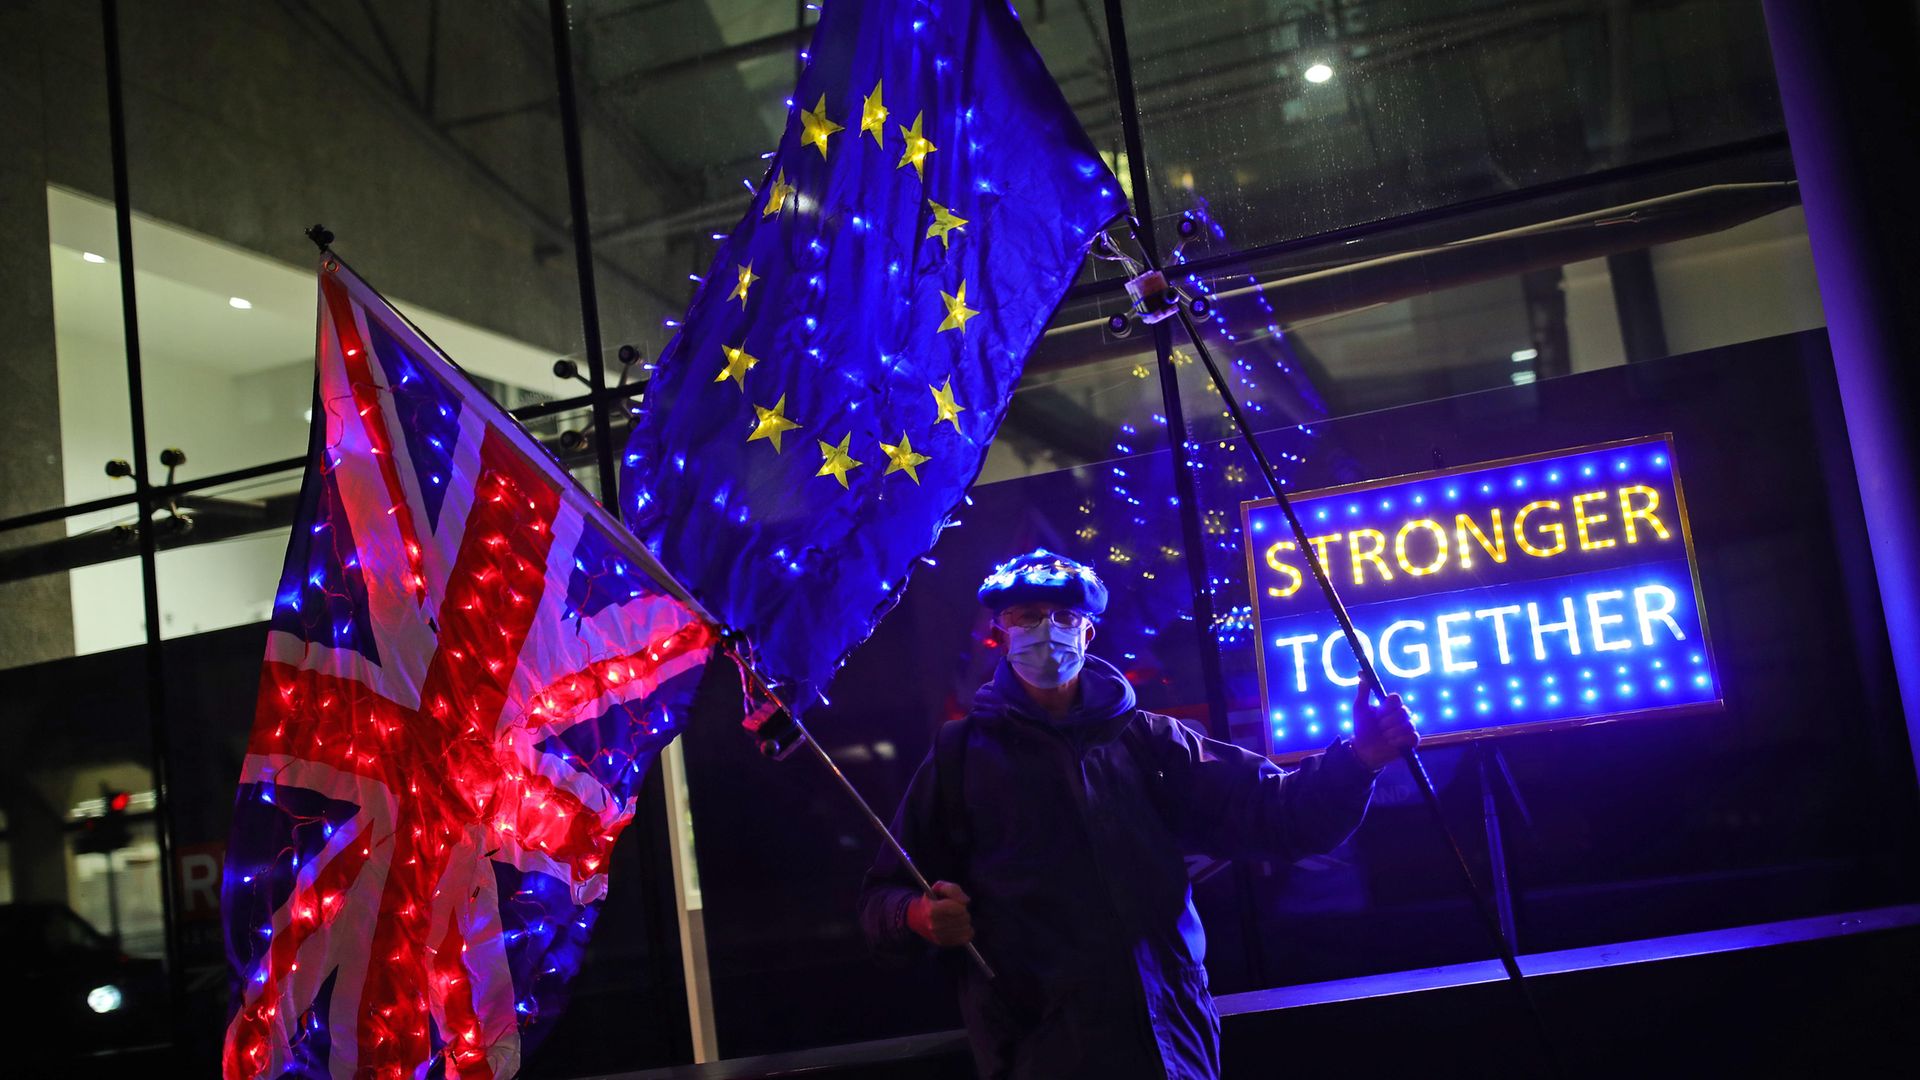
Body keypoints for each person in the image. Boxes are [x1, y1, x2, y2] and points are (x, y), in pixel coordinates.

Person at [858, 549, 1417, 1079]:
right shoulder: (961, 756)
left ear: (1088, 631)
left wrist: (1360, 759)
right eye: (1027, 616)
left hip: (1172, 1048)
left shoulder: (1151, 743)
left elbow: (1278, 816)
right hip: (1043, 1056)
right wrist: (919, 916)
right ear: (1001, 631)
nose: (1046, 631)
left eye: (1063, 616)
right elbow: (882, 897)